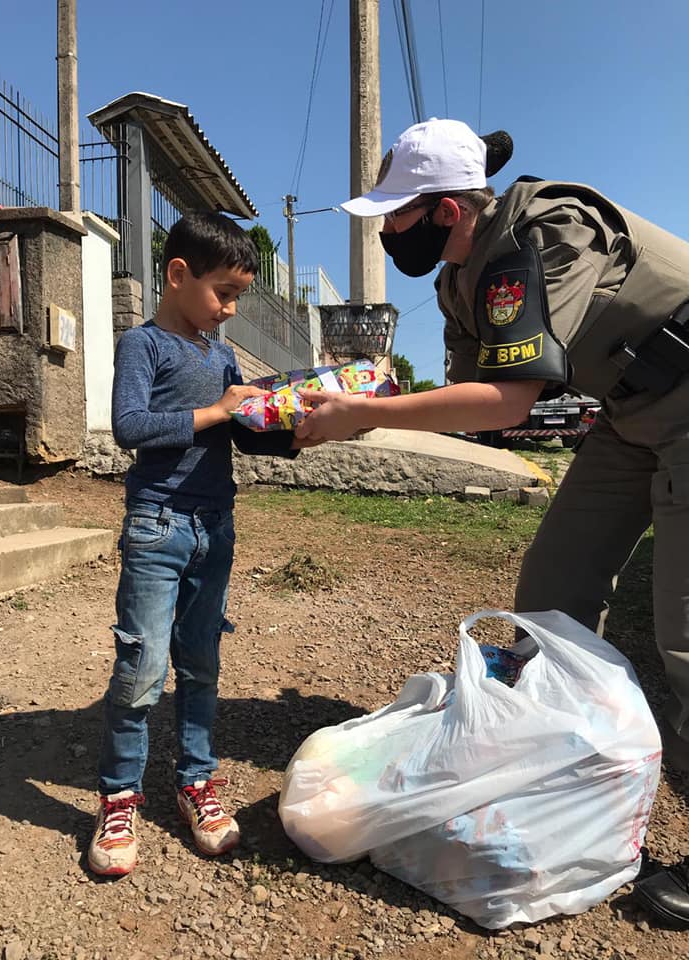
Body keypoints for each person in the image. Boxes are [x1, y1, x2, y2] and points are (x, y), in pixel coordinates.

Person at [294, 117, 689, 925]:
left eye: (395, 213)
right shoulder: (457, 279)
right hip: (627, 412)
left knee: (684, 632)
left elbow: (511, 398)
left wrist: (360, 420)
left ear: (445, 208)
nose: (384, 228)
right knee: (552, 592)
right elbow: (483, 410)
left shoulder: (548, 230)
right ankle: (548, 761)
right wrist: (361, 402)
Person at [88, 211, 314, 877]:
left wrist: (299, 432)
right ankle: (120, 795)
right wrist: (217, 410)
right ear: (177, 274)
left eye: (239, 294)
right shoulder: (143, 345)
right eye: (224, 293)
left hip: (216, 525)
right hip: (157, 524)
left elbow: (241, 431)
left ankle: (195, 781)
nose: (231, 309)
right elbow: (130, 425)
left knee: (202, 663)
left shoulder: (221, 355)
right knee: (141, 669)